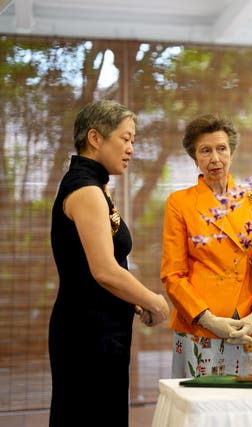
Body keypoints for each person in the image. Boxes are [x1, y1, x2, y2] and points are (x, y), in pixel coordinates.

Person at [49, 100, 169, 426]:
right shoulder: (86, 190)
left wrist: (130, 301)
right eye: (125, 138)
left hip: (99, 328)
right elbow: (104, 270)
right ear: (95, 138)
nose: (131, 148)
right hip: (87, 334)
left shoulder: (94, 185)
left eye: (133, 140)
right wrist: (154, 301)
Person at [160, 113, 252, 378]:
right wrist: (209, 321)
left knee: (247, 411)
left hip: (249, 326)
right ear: (195, 159)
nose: (215, 158)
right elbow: (173, 275)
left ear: (232, 153)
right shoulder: (179, 203)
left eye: (221, 149)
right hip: (202, 327)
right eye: (205, 151)